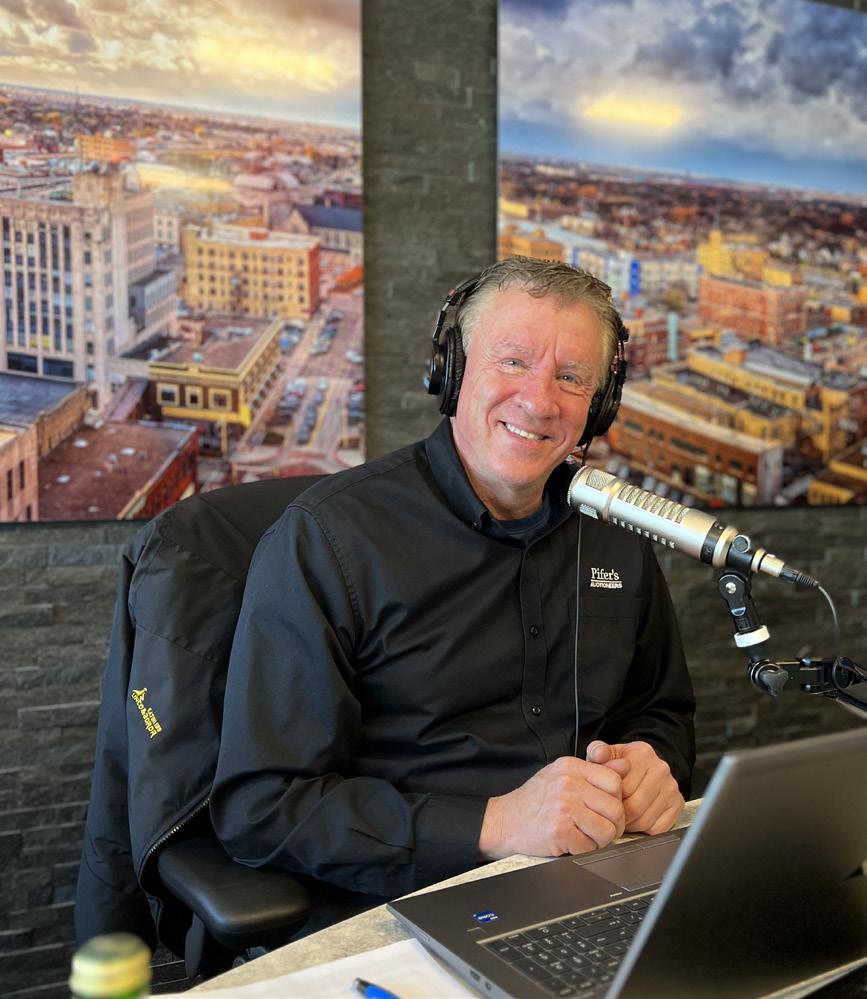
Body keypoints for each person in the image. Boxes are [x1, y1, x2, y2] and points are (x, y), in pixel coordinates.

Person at [210, 256, 694, 924]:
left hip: (600, 888)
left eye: (570, 377)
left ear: (599, 404)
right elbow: (263, 807)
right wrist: (495, 824)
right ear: (452, 368)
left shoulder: (616, 533)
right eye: (513, 361)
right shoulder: (327, 539)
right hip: (401, 911)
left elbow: (661, 711)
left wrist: (652, 767)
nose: (539, 401)